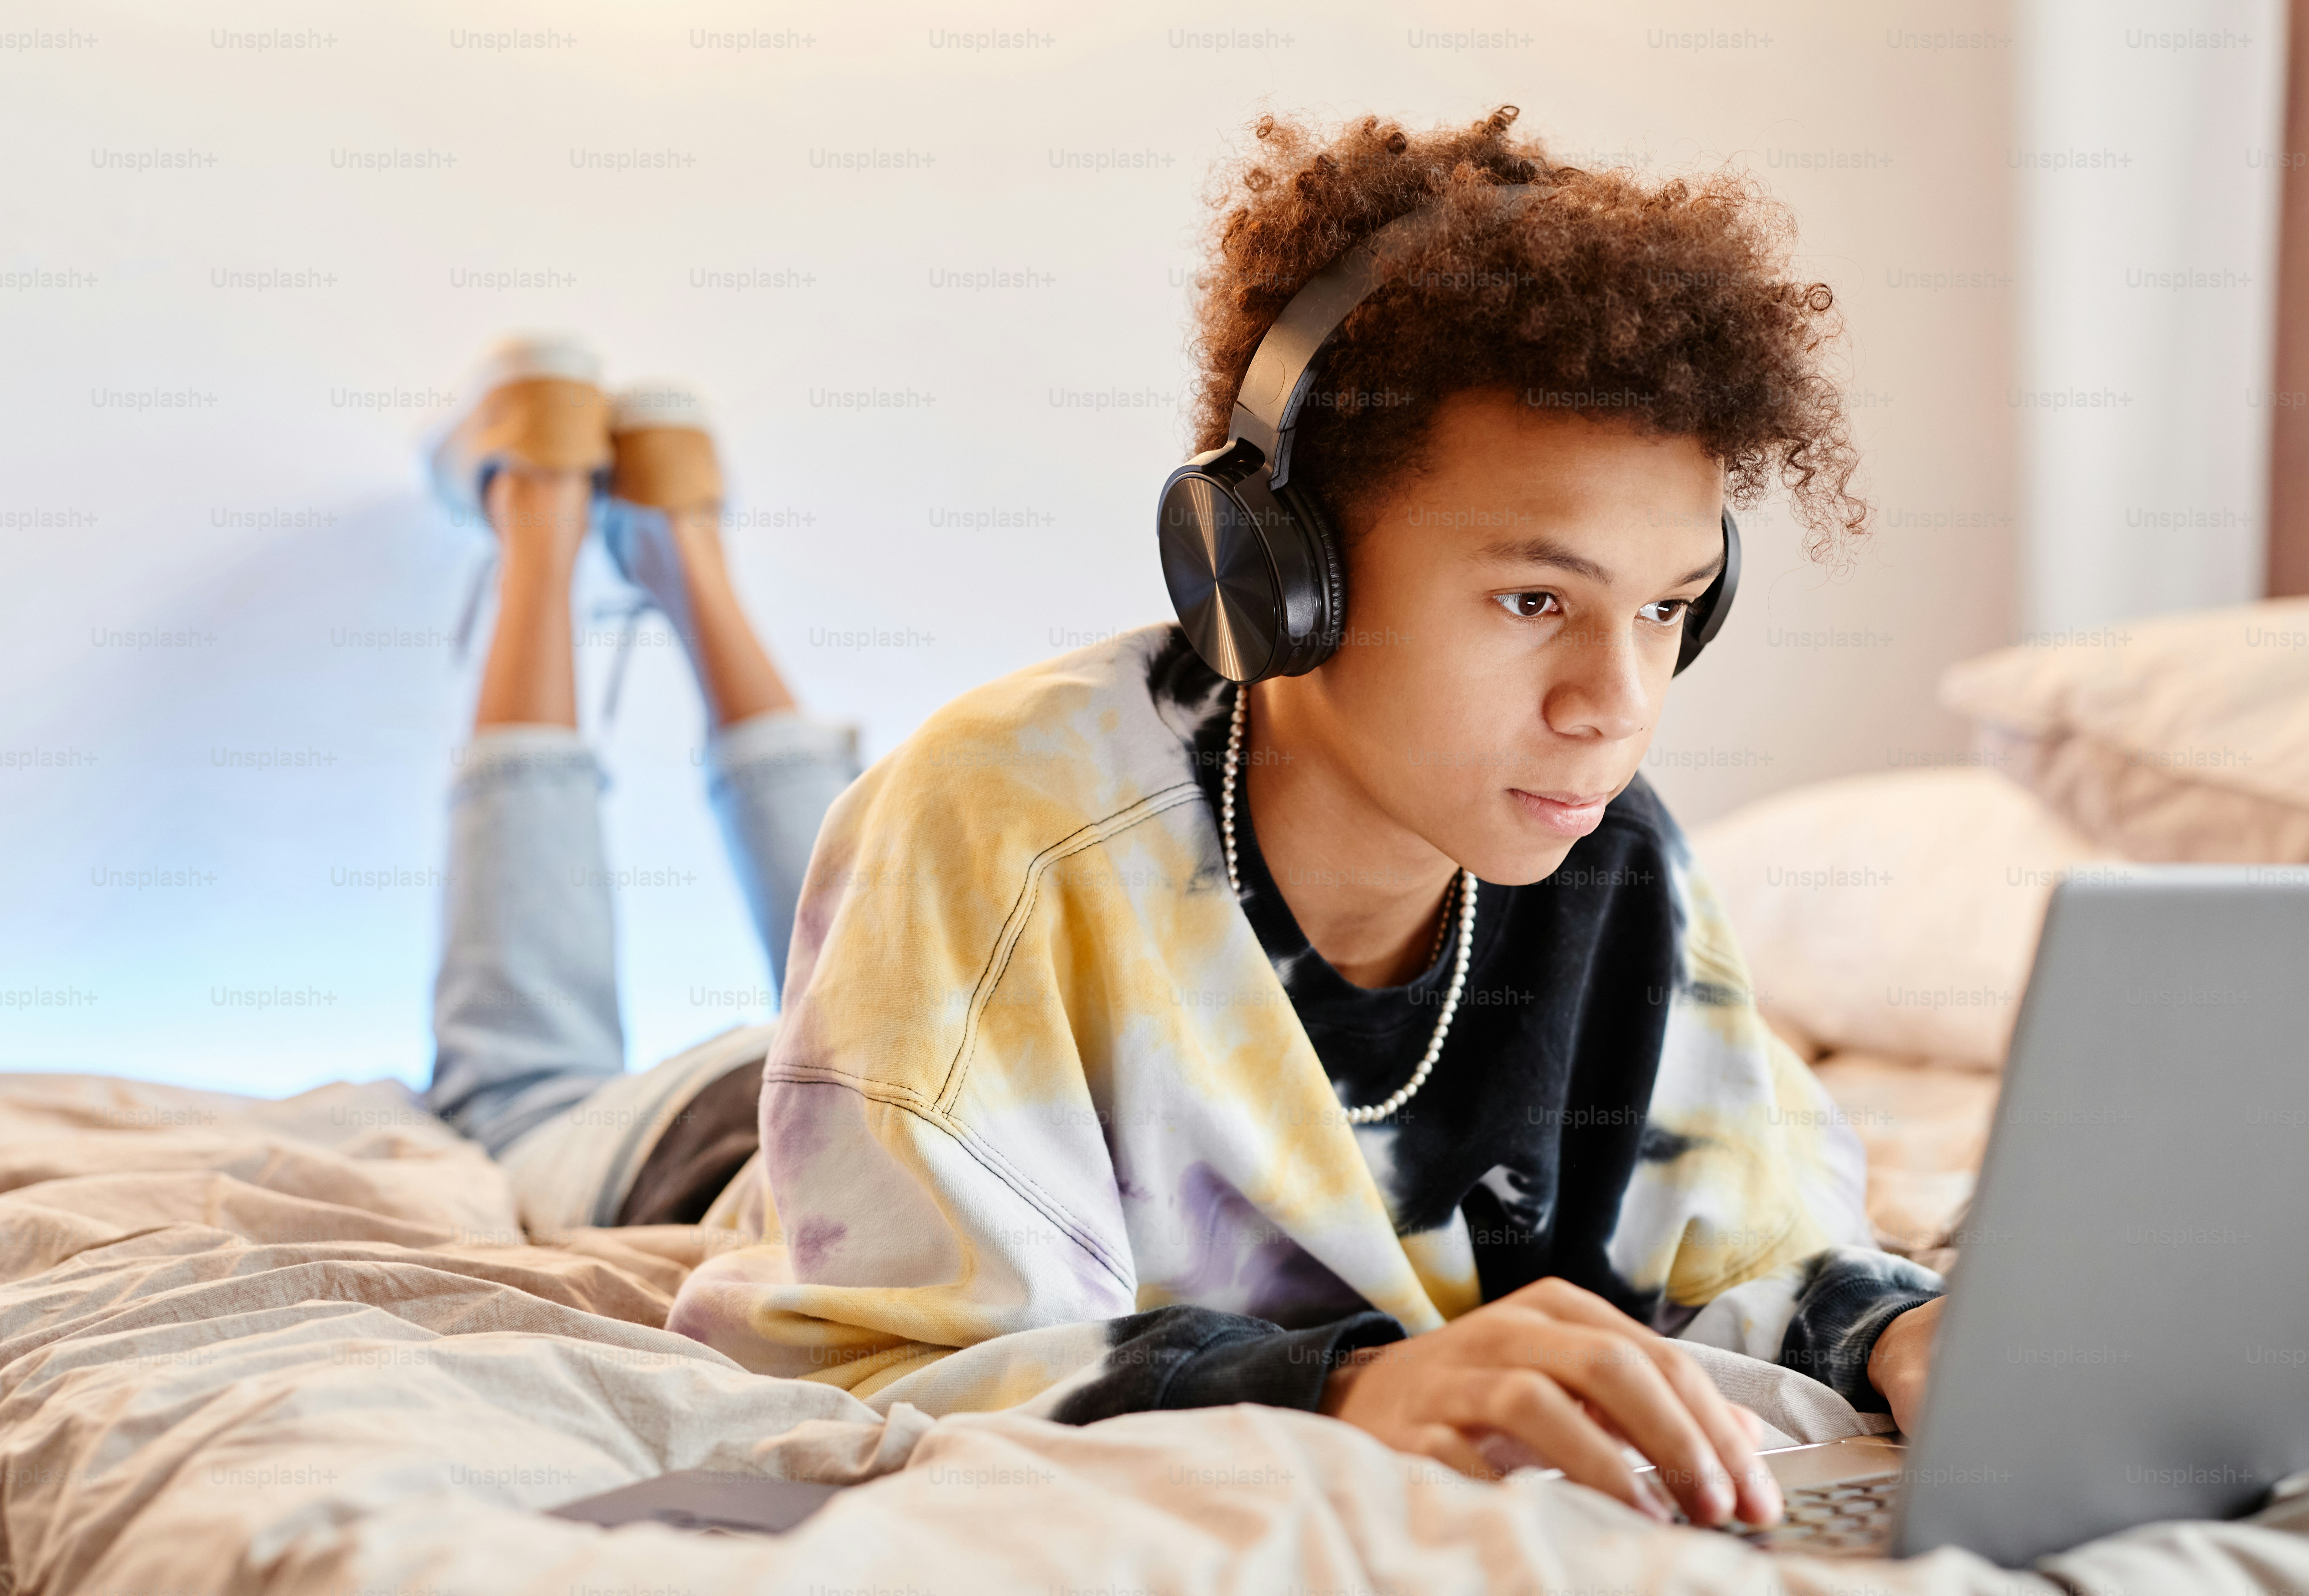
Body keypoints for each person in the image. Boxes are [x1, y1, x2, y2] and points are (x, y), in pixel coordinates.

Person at [649, 108, 1946, 1533]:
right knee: (515, 1067)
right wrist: (1342, 1388)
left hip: (934, 1005)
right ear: (1272, 575)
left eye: (1666, 608)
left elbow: (1741, 1233)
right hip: (722, 1131)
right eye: (1534, 601)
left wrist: (1892, 1333)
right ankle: (619, 542)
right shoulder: (993, 813)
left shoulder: (1609, 849)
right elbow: (867, 1356)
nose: (1615, 700)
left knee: (865, 884)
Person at [419, 335, 855, 1233]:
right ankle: (572, 512)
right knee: (521, 1093)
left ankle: (665, 527)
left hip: (837, 1096)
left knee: (878, 992)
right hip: (780, 1147)